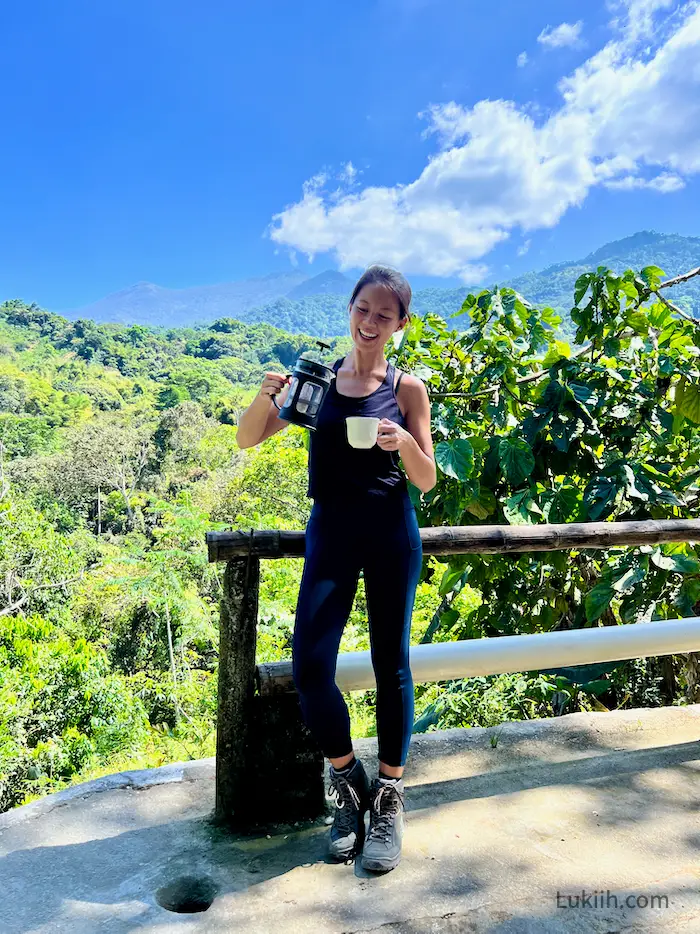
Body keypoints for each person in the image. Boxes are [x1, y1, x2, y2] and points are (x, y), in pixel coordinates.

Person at [236, 264, 436, 873]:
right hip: (331, 533)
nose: (371, 322)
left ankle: (391, 795)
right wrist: (265, 394)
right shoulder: (316, 383)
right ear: (348, 310)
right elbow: (248, 439)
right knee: (310, 665)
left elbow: (426, 479)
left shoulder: (408, 390)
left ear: (401, 324)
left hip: (389, 534)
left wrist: (403, 443)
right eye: (363, 309)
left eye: (385, 314)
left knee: (389, 663)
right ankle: (348, 781)